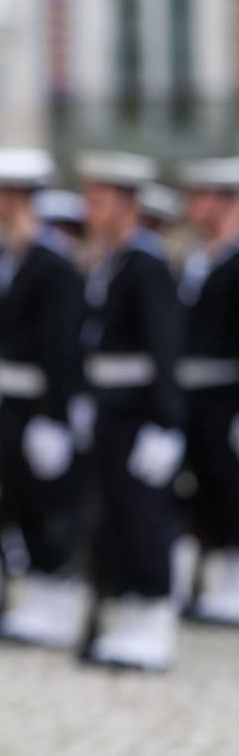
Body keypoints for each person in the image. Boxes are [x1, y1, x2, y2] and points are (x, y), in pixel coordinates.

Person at [0, 148, 87, 649]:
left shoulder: (52, 264)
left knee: (47, 508)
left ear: (17, 197)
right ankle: (34, 599)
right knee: (14, 501)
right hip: (7, 399)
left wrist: (53, 417)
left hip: (38, 404)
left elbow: (60, 348)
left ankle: (55, 603)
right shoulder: (5, 258)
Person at [78, 151, 184, 671]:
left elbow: (164, 350)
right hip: (111, 411)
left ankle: (155, 619)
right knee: (116, 518)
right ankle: (130, 613)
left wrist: (167, 424)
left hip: (140, 414)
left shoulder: (147, 265)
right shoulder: (113, 262)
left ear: (126, 205)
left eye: (99, 201)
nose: (90, 212)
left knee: (145, 519)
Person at [176, 158, 239, 624]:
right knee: (202, 490)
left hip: (227, 391)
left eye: (203, 197)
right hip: (194, 392)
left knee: (231, 487)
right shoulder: (198, 259)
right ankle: (207, 578)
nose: (193, 206)